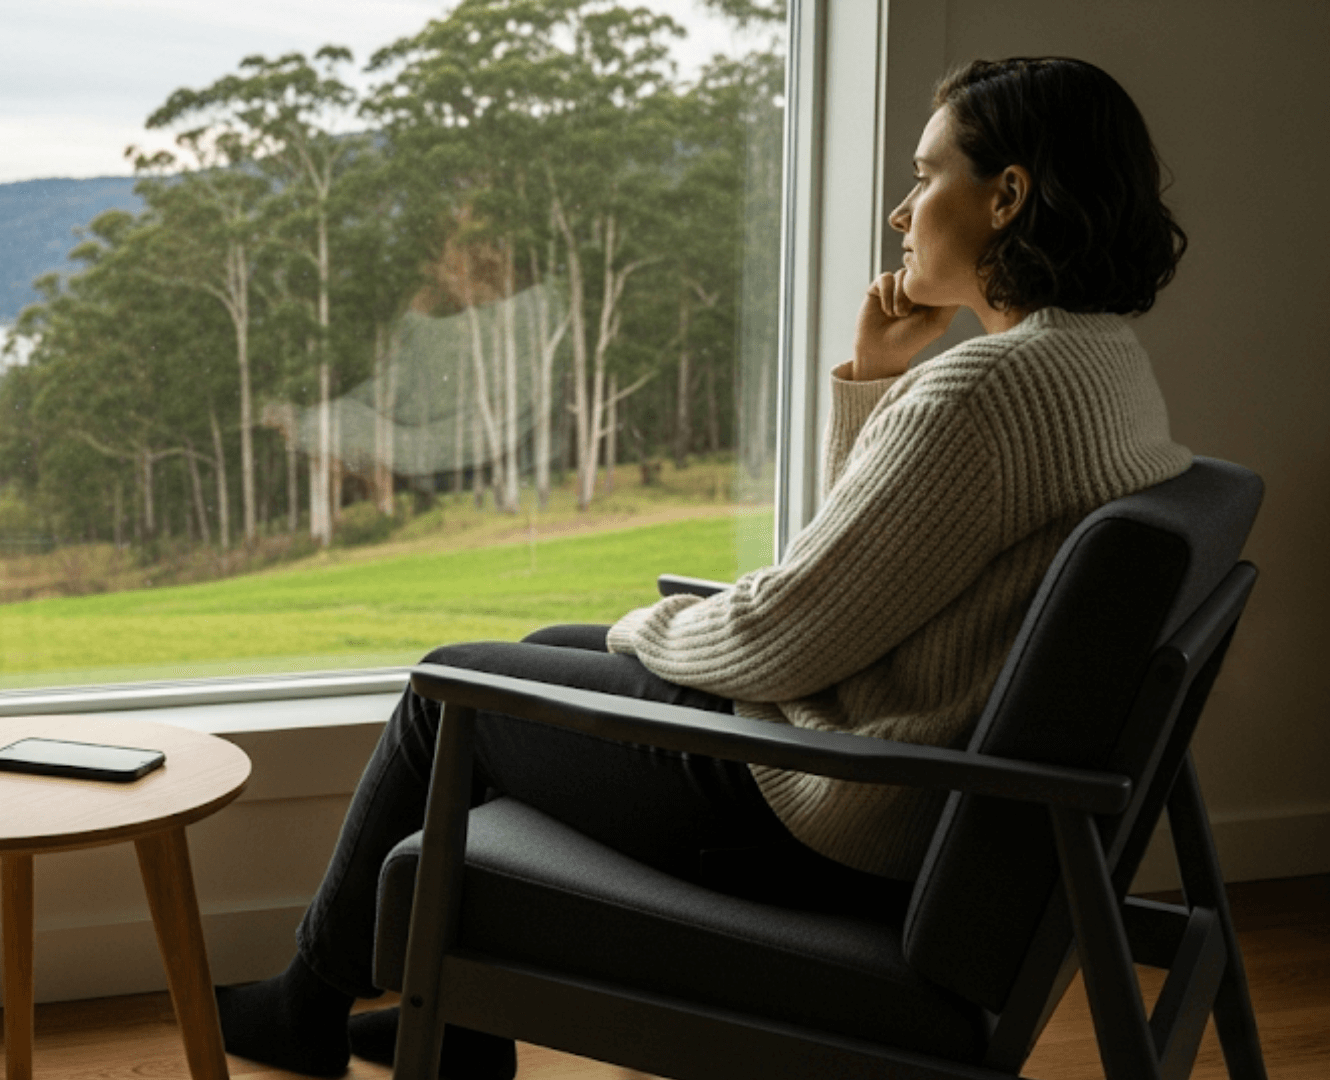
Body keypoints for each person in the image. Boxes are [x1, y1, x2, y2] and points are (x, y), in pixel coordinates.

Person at [216, 56, 1192, 1080]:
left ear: (1007, 195)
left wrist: (642, 633)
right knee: (542, 654)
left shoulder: (981, 396)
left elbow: (785, 631)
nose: (904, 213)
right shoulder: (1100, 366)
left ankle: (308, 1003)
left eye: (925, 176)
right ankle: (456, 1024)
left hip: (832, 807)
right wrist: (874, 383)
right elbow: (868, 565)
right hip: (901, 783)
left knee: (446, 688)